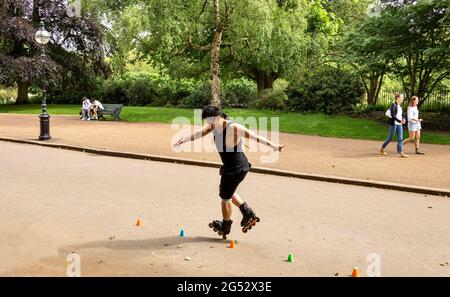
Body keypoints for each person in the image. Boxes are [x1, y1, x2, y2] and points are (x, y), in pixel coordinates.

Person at [174, 105, 286, 239]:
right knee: (226, 191)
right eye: (207, 122)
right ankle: (247, 212)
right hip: (233, 167)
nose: (209, 125)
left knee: (224, 198)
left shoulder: (233, 127)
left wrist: (274, 146)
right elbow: (200, 133)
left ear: (218, 117)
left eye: (210, 121)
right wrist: (185, 139)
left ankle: (226, 225)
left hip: (236, 168)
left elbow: (254, 136)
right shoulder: (214, 126)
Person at [380, 92, 409, 158]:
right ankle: (382, 148)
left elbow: (402, 115)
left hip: (399, 124)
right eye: (401, 97)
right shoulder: (393, 104)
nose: (402, 99)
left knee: (400, 138)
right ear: (397, 98)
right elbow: (393, 115)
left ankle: (401, 152)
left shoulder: (399, 106)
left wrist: (404, 119)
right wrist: (399, 120)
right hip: (394, 123)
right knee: (390, 138)